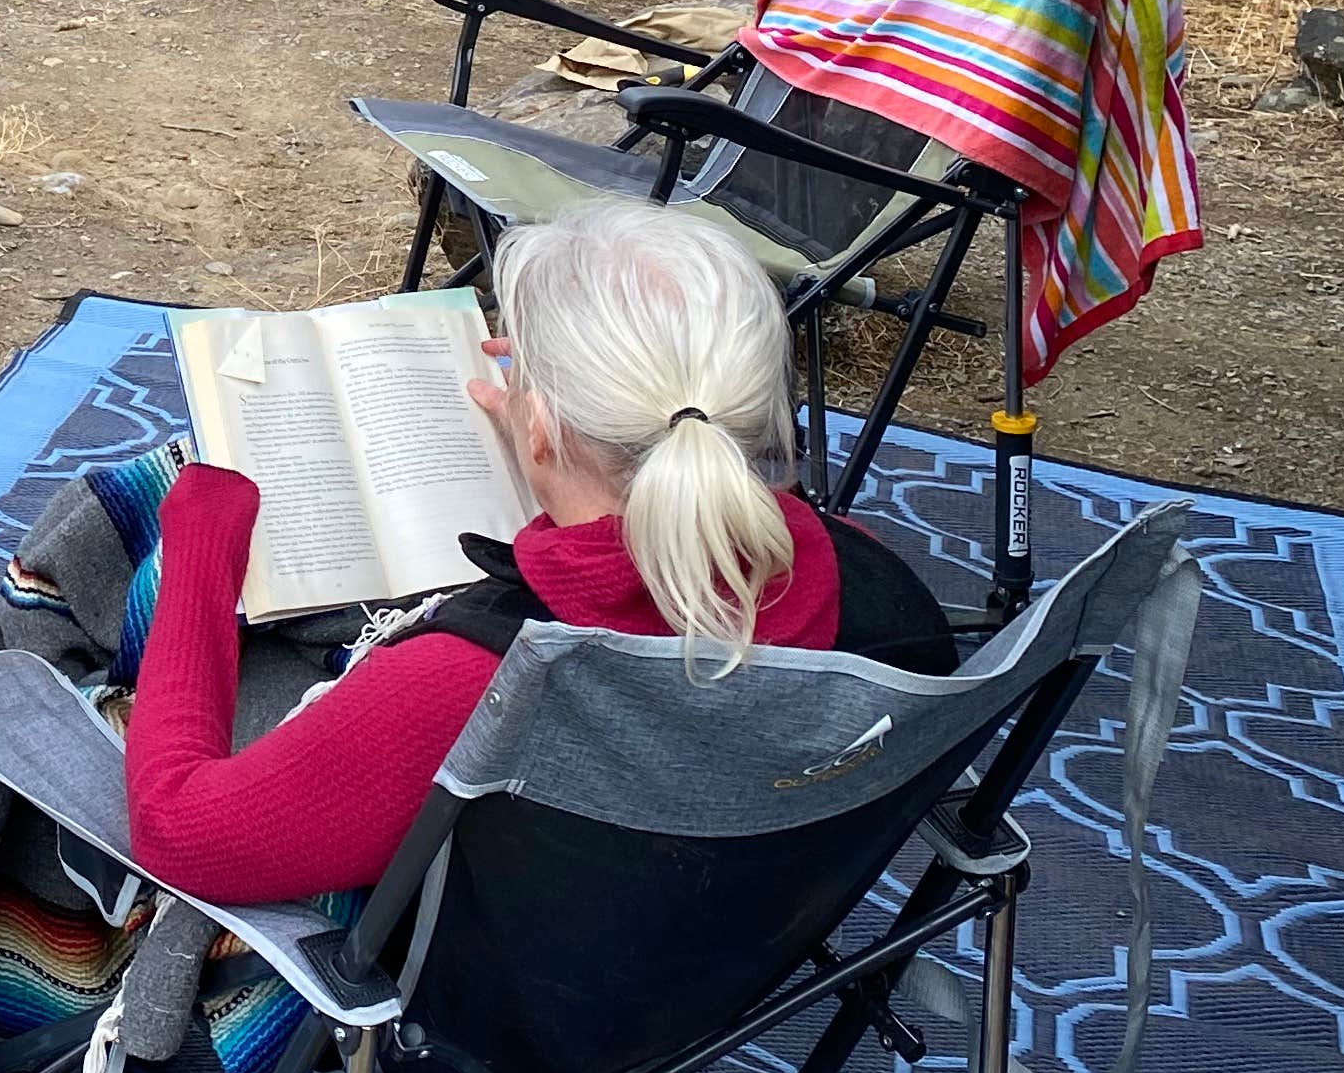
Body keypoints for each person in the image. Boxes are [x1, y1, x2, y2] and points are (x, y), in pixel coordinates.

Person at [124, 199, 957, 907]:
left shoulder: (476, 681)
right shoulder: (874, 579)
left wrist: (199, 539)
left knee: (131, 560)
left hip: (501, 1003)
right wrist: (556, 438)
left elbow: (178, 834)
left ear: (546, 425)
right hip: (723, 939)